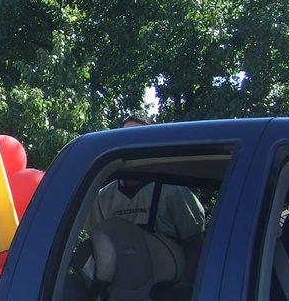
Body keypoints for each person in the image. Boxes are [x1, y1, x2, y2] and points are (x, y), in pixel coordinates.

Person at [86, 113, 205, 281]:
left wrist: (181, 291)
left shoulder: (174, 192)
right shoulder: (101, 198)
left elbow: (195, 245)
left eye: (136, 138)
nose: (128, 145)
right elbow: (97, 247)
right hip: (118, 294)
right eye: (123, 138)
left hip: (165, 292)